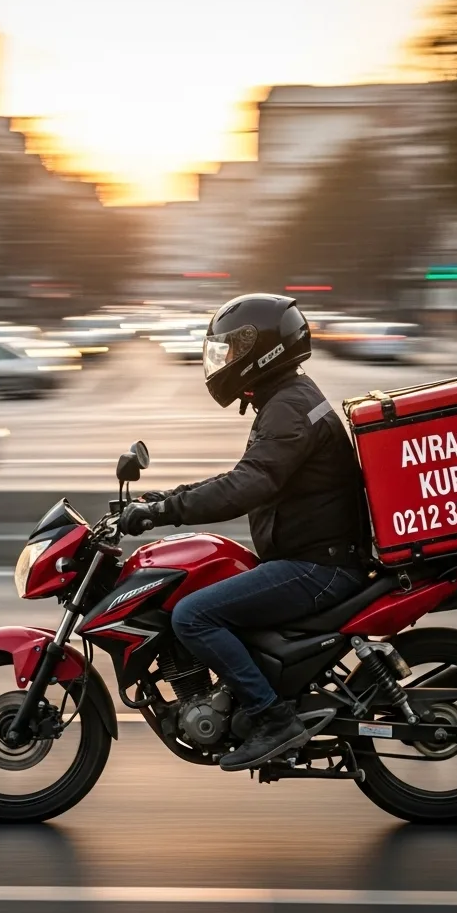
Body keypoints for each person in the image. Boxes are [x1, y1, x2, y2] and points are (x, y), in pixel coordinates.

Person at [119, 293, 370, 771]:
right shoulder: (288, 399)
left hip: (319, 566)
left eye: (231, 351)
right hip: (314, 556)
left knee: (191, 615)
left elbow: (248, 485)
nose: (224, 362)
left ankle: (273, 719)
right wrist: (163, 499)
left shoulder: (289, 407)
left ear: (264, 349)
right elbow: (245, 474)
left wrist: (163, 511)